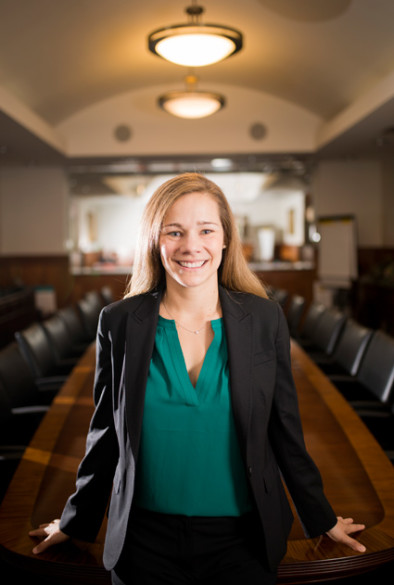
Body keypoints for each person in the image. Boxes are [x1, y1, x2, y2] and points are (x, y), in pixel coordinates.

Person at [29, 173, 366, 584]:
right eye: (175, 231)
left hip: (243, 541)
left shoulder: (263, 319)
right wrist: (74, 521)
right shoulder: (118, 322)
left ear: (225, 239)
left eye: (206, 230)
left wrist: (320, 516)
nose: (191, 246)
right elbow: (106, 436)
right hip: (142, 543)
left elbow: (284, 430)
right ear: (156, 240)